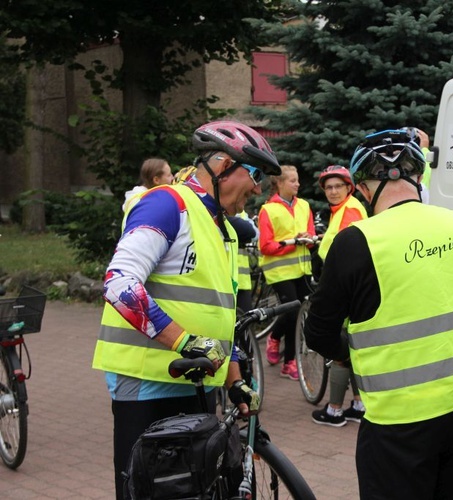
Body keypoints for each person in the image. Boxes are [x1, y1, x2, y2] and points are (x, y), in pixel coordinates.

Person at [303, 129, 453, 499]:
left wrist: (359, 355)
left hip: (397, 421)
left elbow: (318, 333)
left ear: (364, 191)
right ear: (418, 178)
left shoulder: (356, 241)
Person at [92, 120, 280, 499]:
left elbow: (219, 313)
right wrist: (184, 341)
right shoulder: (168, 203)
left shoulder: (221, 226)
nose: (258, 188)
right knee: (148, 490)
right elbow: (120, 283)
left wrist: (234, 380)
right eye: (255, 174)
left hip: (197, 380)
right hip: (148, 384)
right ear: (223, 165)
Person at [310, 165, 368, 427]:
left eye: (338, 186)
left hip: (345, 286)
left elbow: (346, 249)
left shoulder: (351, 209)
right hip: (350, 285)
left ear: (348, 188)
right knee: (352, 345)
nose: (333, 191)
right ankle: (358, 403)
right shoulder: (343, 209)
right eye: (328, 187)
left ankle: (334, 410)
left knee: (340, 345)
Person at [257, 165, 316, 381]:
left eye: (297, 180)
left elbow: (311, 236)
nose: (298, 184)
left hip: (302, 269)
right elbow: (265, 246)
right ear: (279, 183)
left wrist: (308, 239)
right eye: (292, 180)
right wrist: (293, 243)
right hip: (279, 272)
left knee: (296, 312)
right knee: (292, 312)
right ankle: (289, 362)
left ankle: (274, 336)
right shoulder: (268, 210)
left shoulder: (305, 206)